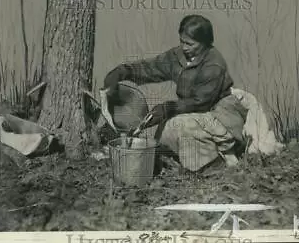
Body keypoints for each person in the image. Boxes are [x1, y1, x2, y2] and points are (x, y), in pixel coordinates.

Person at [103, 14, 249, 173]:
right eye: (182, 41)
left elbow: (201, 102)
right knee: (164, 132)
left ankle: (217, 160)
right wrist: (123, 72)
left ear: (205, 43)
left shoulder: (213, 64)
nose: (184, 47)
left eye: (190, 44)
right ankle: (185, 158)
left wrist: (168, 108)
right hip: (190, 109)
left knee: (179, 126)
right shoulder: (178, 56)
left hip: (218, 113)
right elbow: (151, 68)